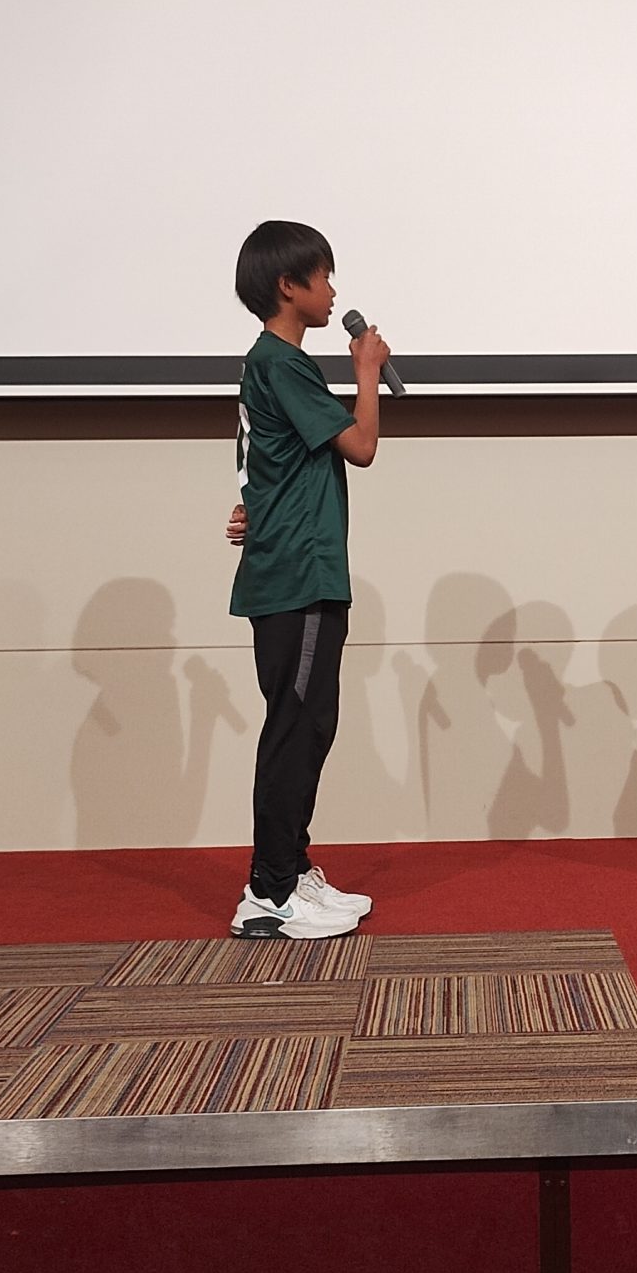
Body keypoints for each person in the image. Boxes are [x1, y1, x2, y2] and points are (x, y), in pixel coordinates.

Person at [220, 220, 391, 939]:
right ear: (289, 285)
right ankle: (269, 892)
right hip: (299, 575)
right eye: (323, 278)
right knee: (297, 727)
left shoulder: (269, 364)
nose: (333, 292)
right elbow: (362, 446)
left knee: (308, 724)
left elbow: (263, 463)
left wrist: (253, 513)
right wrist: (367, 371)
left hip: (292, 566)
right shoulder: (283, 363)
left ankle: (290, 869)